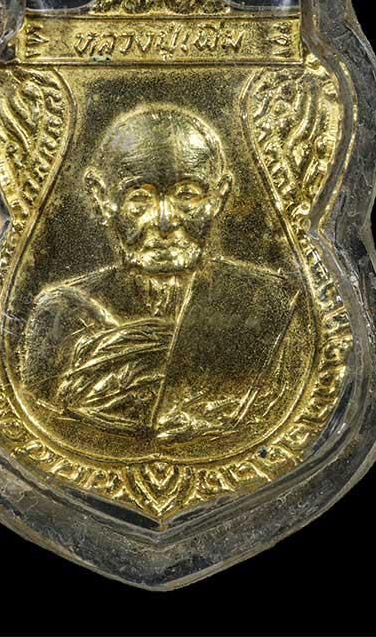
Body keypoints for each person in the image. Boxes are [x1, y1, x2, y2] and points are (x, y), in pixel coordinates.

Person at [24, 105, 300, 443]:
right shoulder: (64, 313)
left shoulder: (268, 303)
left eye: (187, 195)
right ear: (101, 197)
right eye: (139, 198)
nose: (166, 221)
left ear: (219, 195)